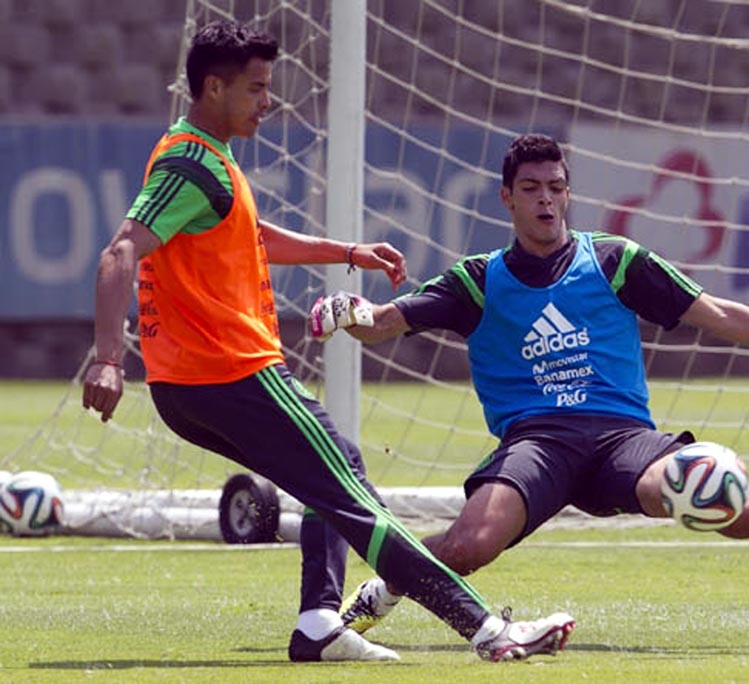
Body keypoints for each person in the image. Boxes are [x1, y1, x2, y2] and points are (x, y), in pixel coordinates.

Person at [80, 22, 574, 664]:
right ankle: (487, 629)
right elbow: (120, 249)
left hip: (194, 384)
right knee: (348, 490)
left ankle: (318, 620)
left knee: (335, 470)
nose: (268, 101)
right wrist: (108, 358)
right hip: (230, 375)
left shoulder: (207, 159)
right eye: (256, 88)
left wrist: (346, 252)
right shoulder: (190, 161)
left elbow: (252, 235)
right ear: (213, 85)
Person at [308, 132, 749, 634]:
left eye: (556, 188)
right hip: (537, 444)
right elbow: (386, 322)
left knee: (691, 482)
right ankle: (383, 590)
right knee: (470, 548)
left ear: (567, 194)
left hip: (622, 438)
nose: (546, 200)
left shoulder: (616, 260)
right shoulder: (478, 280)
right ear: (506, 200)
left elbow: (716, 313)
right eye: (531, 189)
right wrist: (351, 313)